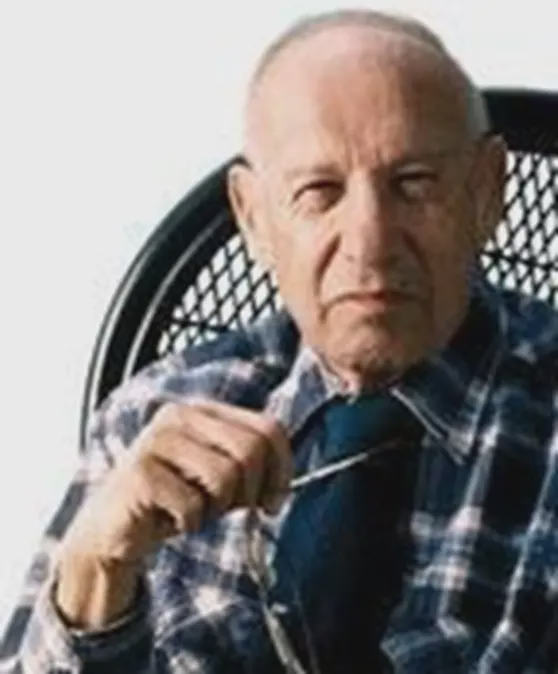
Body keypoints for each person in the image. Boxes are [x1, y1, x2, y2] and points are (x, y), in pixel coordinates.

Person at [1, 9, 558, 673]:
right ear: (254, 218)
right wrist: (95, 576)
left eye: (413, 184)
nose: (370, 242)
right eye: (319, 192)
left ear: (487, 192)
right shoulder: (154, 412)